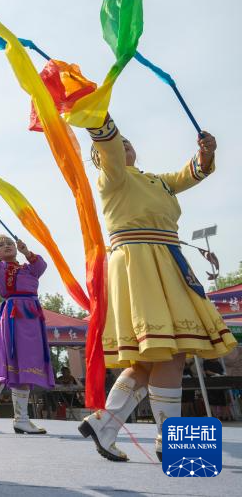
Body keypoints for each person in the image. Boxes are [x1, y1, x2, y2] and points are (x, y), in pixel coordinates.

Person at [76, 117, 235, 462]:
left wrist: (206, 155)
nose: (124, 145)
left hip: (166, 260)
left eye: (128, 142)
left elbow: (189, 174)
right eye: (118, 144)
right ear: (102, 157)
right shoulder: (112, 178)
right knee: (169, 351)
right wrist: (98, 117)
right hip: (140, 263)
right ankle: (169, 441)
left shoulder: (156, 181)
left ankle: (104, 424)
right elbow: (109, 146)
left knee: (148, 360)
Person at [0, 233, 53, 435]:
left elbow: (42, 266)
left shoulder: (28, 269)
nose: (7, 246)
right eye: (1, 245)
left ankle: (8, 415)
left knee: (24, 367)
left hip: (32, 319)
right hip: (14, 318)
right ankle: (6, 414)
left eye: (10, 243)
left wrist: (26, 252)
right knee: (7, 362)